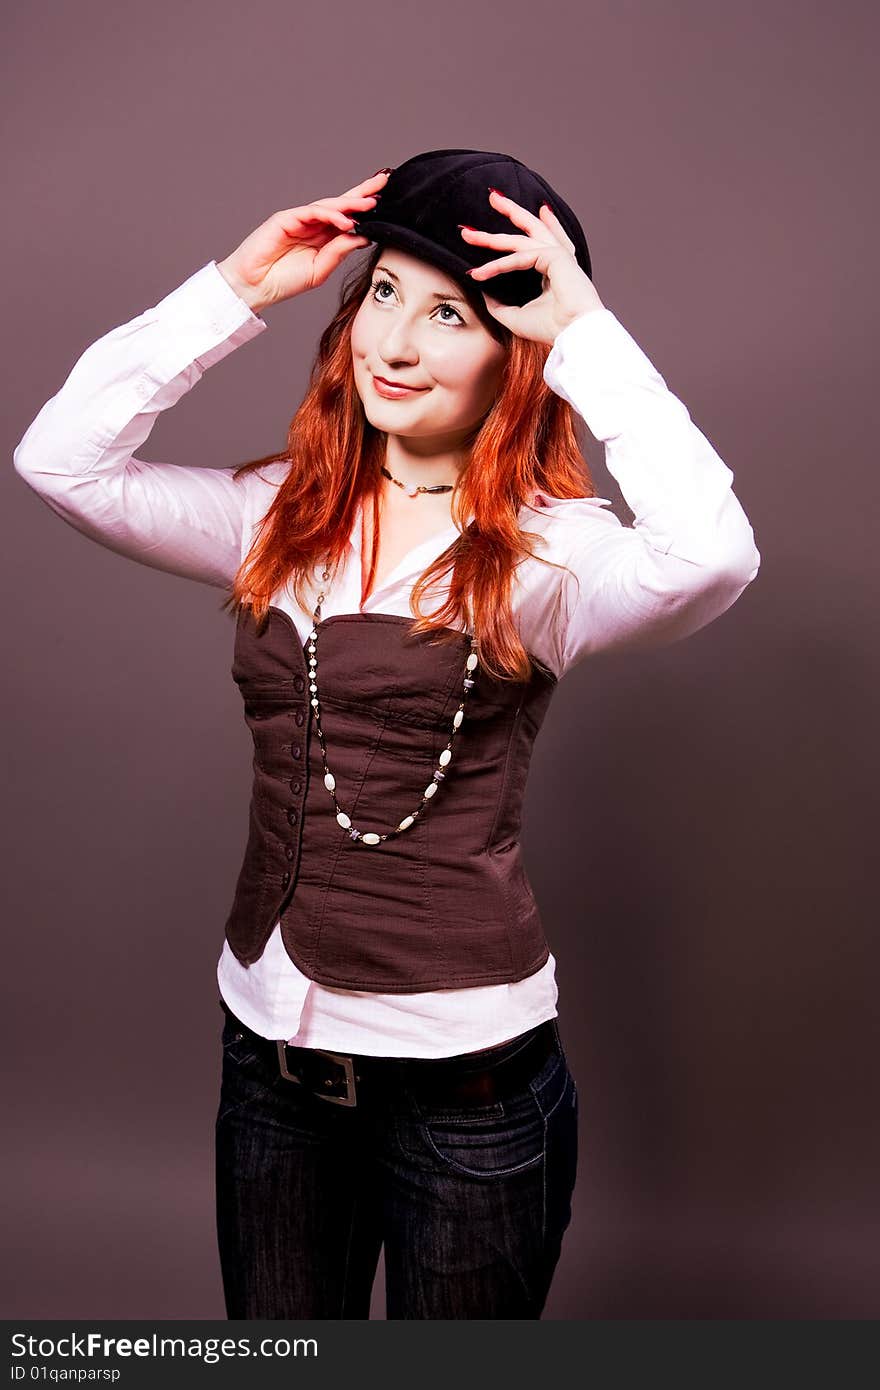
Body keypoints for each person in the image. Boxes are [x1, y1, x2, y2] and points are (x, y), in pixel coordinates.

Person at [12, 149, 761, 1320]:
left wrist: (587, 333)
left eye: (449, 314)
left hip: (466, 1094)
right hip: (269, 1065)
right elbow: (57, 460)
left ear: (516, 353)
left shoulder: (548, 557)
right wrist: (237, 290)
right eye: (381, 295)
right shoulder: (274, 517)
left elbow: (713, 556)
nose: (393, 343)